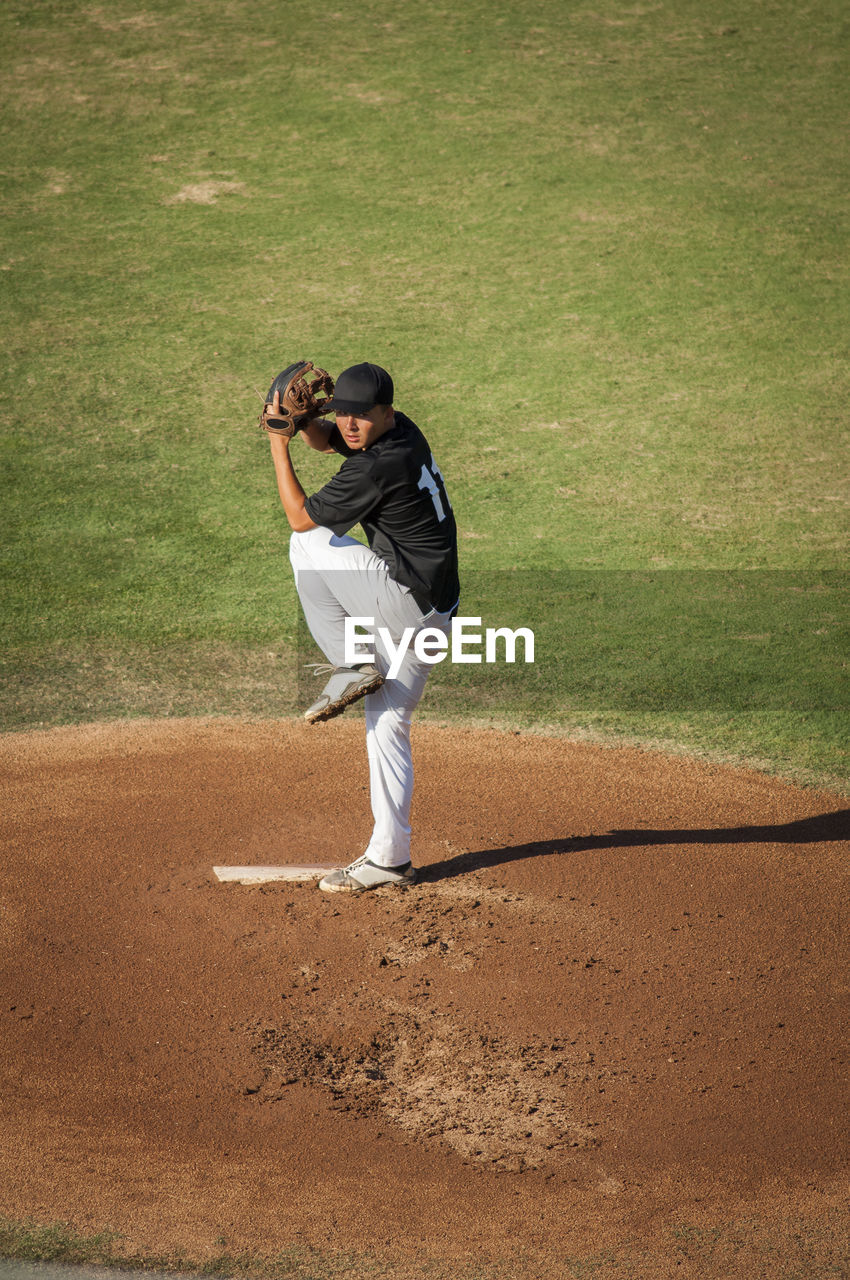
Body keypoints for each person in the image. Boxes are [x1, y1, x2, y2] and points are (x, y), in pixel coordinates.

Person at [264, 362, 459, 894]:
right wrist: (307, 425)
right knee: (386, 721)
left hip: (404, 605)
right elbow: (331, 442)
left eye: (361, 417)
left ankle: (350, 663)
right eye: (342, 413)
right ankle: (390, 857)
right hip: (435, 615)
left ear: (385, 412)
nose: (350, 425)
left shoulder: (379, 467)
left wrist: (279, 443)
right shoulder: (403, 431)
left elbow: (301, 518)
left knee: (306, 544)